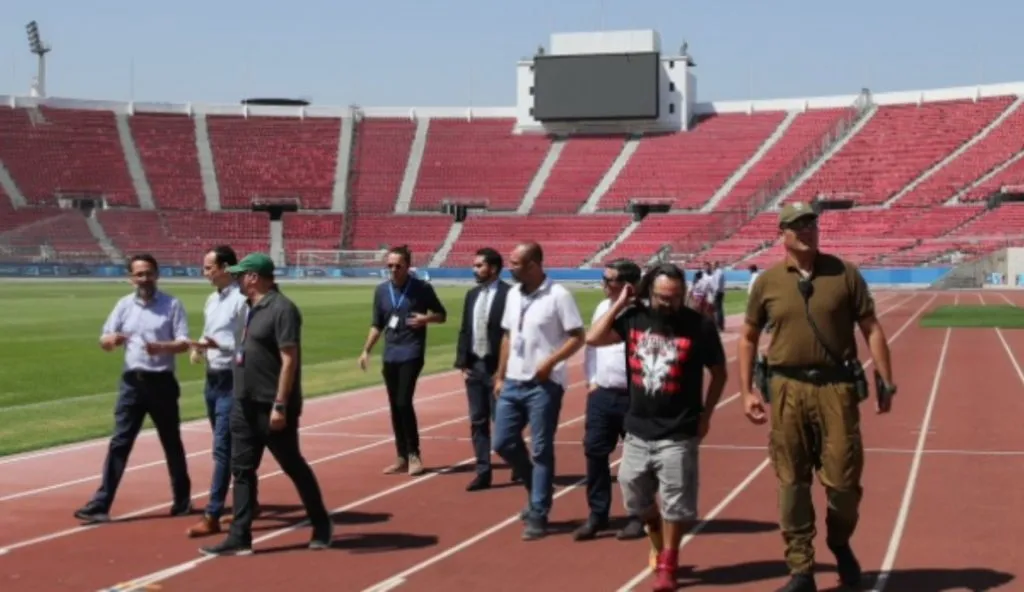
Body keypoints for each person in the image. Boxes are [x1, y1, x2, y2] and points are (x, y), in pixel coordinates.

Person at [738, 202, 898, 592]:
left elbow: (871, 328)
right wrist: (745, 392)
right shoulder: (769, 282)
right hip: (787, 389)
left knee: (844, 483)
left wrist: (885, 378)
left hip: (835, 389)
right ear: (783, 234)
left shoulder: (844, 274)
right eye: (798, 225)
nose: (807, 230)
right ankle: (801, 569)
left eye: (811, 223)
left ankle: (840, 542)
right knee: (791, 481)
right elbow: (748, 336)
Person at [585, 263, 727, 592]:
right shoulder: (634, 318)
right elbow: (592, 338)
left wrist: (706, 416)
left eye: (677, 297)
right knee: (634, 497)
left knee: (676, 504)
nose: (670, 303)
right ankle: (658, 540)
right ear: (650, 292)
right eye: (663, 297)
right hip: (637, 428)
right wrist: (620, 303)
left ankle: (669, 562)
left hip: (679, 430)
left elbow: (719, 373)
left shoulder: (699, 326)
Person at [201, 253, 332, 556]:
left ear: (253, 277)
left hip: (270, 405)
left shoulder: (282, 309)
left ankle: (321, 523)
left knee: (293, 465)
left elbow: (289, 360)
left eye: (239, 274)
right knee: (242, 470)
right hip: (243, 403)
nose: (235, 279)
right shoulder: (250, 307)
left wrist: (281, 405)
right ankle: (240, 536)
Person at [74, 254, 193, 523]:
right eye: (139, 274)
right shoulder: (123, 305)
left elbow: (185, 342)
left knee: (171, 442)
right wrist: (111, 340)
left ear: (157, 274)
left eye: (149, 273)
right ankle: (101, 503)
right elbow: (104, 339)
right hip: (132, 384)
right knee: (120, 443)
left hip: (162, 383)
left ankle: (182, 499)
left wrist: (161, 347)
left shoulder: (172, 304)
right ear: (131, 278)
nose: (145, 279)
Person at [492, 241, 585, 541]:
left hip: (544, 384)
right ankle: (536, 486)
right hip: (513, 382)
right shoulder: (513, 294)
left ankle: (538, 512)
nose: (510, 267)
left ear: (533, 265)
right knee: (503, 442)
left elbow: (577, 337)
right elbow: (508, 335)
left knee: (542, 448)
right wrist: (500, 374)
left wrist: (551, 363)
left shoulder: (559, 296)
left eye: (516, 263)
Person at [359, 244, 447, 476]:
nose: (394, 270)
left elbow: (442, 315)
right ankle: (401, 455)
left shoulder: (421, 288)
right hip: (391, 353)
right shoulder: (381, 291)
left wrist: (426, 319)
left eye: (398, 266)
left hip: (412, 351)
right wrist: (366, 350)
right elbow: (377, 323)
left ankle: (414, 453)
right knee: (394, 406)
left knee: (403, 402)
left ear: (408, 266)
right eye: (390, 266)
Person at [574, 258, 646, 542]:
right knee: (594, 452)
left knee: (638, 460)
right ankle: (598, 514)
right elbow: (591, 345)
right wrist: (591, 380)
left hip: (636, 397)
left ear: (628, 285)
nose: (603, 284)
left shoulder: (646, 311)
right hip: (603, 394)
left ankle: (637, 515)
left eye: (609, 280)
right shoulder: (604, 308)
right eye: (603, 278)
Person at [185, 245, 250, 538]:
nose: (205, 272)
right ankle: (248, 502)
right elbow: (210, 330)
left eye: (209, 267)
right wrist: (200, 345)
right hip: (211, 380)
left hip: (232, 379)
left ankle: (213, 513)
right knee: (229, 447)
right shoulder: (212, 299)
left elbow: (247, 343)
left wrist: (217, 346)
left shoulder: (242, 301)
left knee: (222, 448)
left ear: (225, 268)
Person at [453, 247, 511, 491]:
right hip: (475, 366)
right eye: (474, 265)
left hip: (499, 368)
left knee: (503, 424)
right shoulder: (471, 294)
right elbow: (465, 329)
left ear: (493, 268)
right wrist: (462, 362)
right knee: (478, 422)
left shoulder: (511, 294)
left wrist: (505, 371)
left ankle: (517, 460)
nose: (474, 269)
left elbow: (513, 334)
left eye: (479, 265)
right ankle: (483, 471)